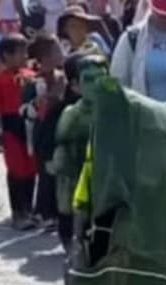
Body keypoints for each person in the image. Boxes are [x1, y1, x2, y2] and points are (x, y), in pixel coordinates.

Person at [50, 53, 108, 255]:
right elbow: (62, 146)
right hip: (76, 174)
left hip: (106, 175)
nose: (96, 85)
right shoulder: (72, 115)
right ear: (76, 86)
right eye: (89, 80)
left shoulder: (116, 111)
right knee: (75, 215)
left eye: (102, 78)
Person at [0, 34, 40, 228]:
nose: (25, 56)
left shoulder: (32, 76)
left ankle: (29, 208)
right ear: (6, 56)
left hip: (30, 127)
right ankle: (18, 212)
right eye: (20, 52)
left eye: (25, 51)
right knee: (17, 171)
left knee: (32, 169)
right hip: (11, 129)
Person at [26, 36, 69, 227]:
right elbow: (33, 111)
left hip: (61, 129)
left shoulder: (63, 76)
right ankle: (44, 212)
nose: (62, 54)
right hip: (45, 132)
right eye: (57, 50)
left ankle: (56, 209)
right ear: (44, 57)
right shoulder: (35, 81)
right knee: (47, 172)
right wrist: (52, 96)